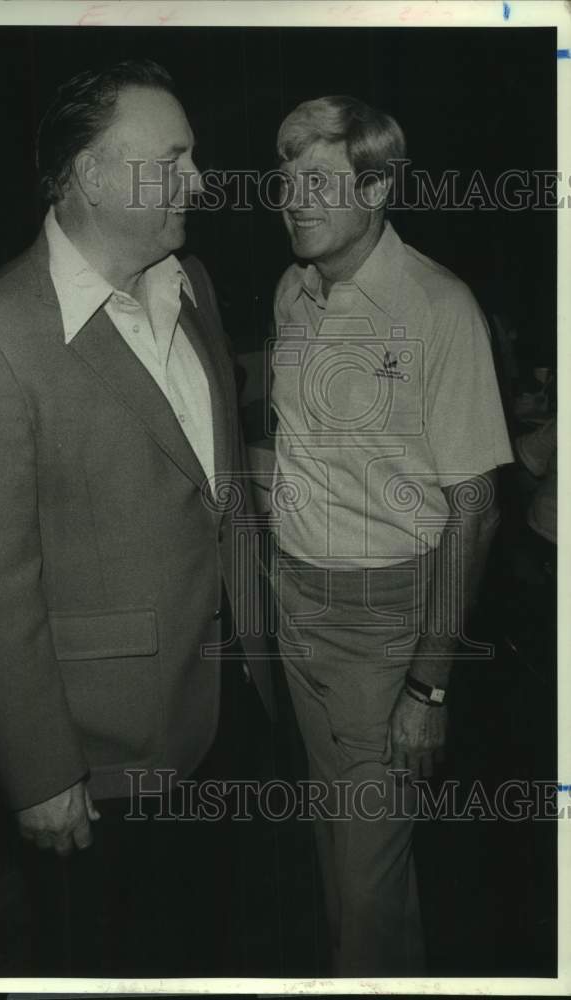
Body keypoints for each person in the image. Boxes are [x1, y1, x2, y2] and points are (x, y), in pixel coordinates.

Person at [0, 59, 274, 976]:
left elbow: (213, 494)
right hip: (102, 764)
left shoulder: (189, 280)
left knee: (213, 951)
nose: (202, 181)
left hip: (228, 713)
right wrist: (42, 776)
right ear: (91, 176)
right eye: (177, 158)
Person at [269, 95, 514, 976]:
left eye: (319, 179)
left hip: (387, 626)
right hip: (295, 607)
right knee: (338, 841)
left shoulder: (438, 305)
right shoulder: (291, 289)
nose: (293, 197)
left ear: (375, 189)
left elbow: (477, 505)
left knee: (369, 875)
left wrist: (430, 687)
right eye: (287, 175)